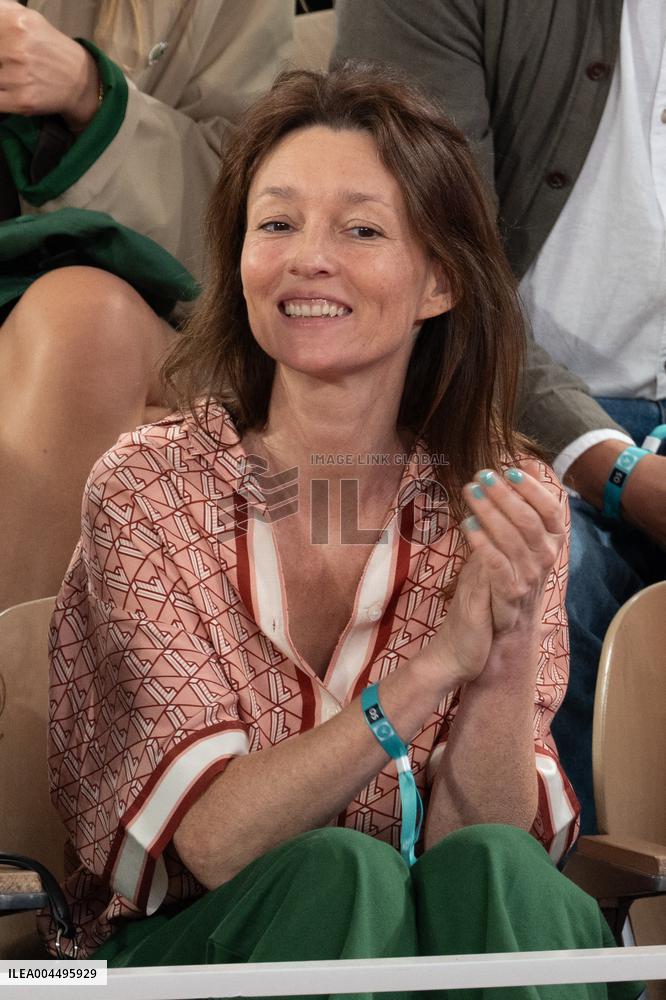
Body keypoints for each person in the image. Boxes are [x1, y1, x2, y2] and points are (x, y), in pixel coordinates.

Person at [45, 66, 642, 1000]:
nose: (306, 259)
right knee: (344, 875)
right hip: (174, 955)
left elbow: (474, 855)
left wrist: (508, 640)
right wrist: (435, 670)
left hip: (407, 962)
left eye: (360, 230)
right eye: (275, 224)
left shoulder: (507, 495)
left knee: (503, 874)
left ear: (440, 280)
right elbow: (215, 842)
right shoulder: (149, 486)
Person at [332, 0, 666, 835]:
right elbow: (439, 268)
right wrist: (613, 466)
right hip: (497, 408)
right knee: (558, 572)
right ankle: (578, 929)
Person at [0, 0, 293, 611]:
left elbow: (244, 228)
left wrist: (88, 94)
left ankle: (22, 699)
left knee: (81, 322)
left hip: (131, 305)